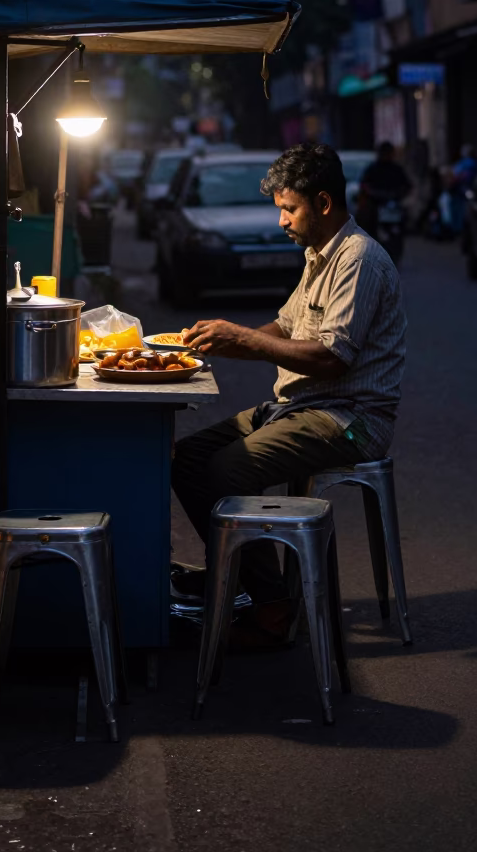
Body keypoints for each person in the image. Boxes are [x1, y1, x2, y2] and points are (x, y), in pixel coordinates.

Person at [173, 143, 407, 647]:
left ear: (322, 203)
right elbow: (284, 325)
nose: (281, 220)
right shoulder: (317, 255)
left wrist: (243, 340)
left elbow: (330, 358)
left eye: (289, 208)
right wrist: (220, 343)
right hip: (298, 408)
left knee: (226, 470)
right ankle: (244, 583)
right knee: (188, 459)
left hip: (350, 418)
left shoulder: (359, 259)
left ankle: (271, 606)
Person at [357, 141, 412, 238]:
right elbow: (364, 185)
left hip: (394, 202)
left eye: (388, 153)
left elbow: (407, 185)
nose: (386, 156)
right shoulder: (372, 169)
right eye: (384, 153)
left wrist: (399, 194)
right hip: (376, 203)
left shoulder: (397, 170)